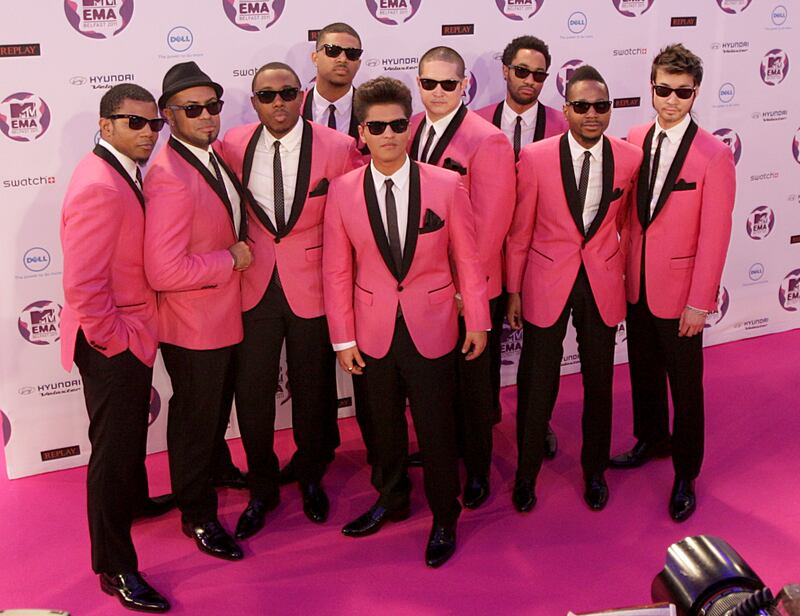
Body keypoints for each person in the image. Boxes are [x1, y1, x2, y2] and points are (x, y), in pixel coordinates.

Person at [323, 77, 490, 567]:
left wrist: (477, 320)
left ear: (410, 127)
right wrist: (343, 337)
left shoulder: (445, 183)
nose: (390, 133)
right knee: (382, 427)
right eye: (379, 126)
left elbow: (469, 259)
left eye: (399, 123)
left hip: (434, 324)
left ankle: (445, 515)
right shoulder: (342, 191)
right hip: (370, 330)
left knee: (437, 429)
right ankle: (391, 499)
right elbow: (336, 270)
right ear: (363, 132)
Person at [219, 62, 360, 539]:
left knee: (314, 388)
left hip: (314, 286)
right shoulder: (231, 146)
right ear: (254, 101)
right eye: (265, 95)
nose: (277, 103)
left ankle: (311, 474)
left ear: (301, 95)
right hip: (252, 287)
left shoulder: (339, 147)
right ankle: (262, 486)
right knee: (253, 393)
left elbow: (355, 221)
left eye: (285, 93)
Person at [506, 65, 642, 513]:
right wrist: (513, 290)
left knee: (599, 384)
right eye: (581, 106)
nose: (591, 114)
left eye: (600, 106)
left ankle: (595, 471)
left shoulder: (629, 158)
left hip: (601, 283)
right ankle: (526, 475)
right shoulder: (537, 157)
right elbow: (520, 229)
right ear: (566, 109)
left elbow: (624, 224)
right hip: (546, 280)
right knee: (536, 383)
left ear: (610, 110)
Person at [609, 44, 736, 522]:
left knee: (686, 385)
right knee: (642, 368)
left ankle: (686, 472)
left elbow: (716, 236)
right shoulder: (636, 135)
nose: (671, 100)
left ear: (695, 93)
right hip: (637, 281)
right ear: (652, 87)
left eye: (683, 93)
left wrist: (699, 303)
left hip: (682, 292)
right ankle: (651, 438)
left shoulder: (714, 154)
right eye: (664, 90)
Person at [60, 83, 171, 612]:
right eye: (136, 123)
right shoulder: (100, 185)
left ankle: (136, 502)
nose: (148, 132)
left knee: (125, 440)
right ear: (107, 126)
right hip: (112, 340)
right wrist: (114, 342)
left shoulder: (119, 169)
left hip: (127, 332)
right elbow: (83, 284)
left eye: (155, 124)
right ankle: (115, 566)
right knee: (112, 450)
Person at [144, 61, 250, 561]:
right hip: (193, 324)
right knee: (195, 418)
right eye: (193, 109)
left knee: (211, 413)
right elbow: (163, 271)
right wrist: (228, 259)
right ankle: (197, 514)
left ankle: (216, 468)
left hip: (222, 314)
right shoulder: (168, 177)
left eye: (213, 106)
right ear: (169, 115)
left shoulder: (211, 154)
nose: (207, 117)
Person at [407, 46, 516, 509]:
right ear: (418, 81)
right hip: (423, 283)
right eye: (428, 83)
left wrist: (460, 289)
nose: (436, 92)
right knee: (435, 380)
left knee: (473, 387)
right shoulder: (409, 127)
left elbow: (493, 225)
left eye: (447, 84)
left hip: (467, 287)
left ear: (464, 83)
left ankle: (477, 469)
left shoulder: (487, 139)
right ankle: (444, 451)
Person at [476, 35, 567, 450]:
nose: (530, 80)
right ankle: (482, 415)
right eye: (522, 71)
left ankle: (537, 419)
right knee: (482, 338)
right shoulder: (475, 122)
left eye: (539, 74)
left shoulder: (565, 125)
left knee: (542, 346)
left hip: (542, 253)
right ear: (506, 70)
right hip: (485, 253)